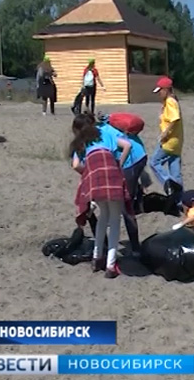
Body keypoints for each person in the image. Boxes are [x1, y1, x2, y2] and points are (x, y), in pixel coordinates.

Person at [70, 113, 133, 278]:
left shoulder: (79, 142)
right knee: (114, 219)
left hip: (95, 177)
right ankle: (111, 265)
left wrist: (88, 173)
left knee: (103, 216)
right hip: (111, 171)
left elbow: (75, 165)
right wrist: (119, 164)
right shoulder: (104, 131)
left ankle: (97, 258)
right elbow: (127, 145)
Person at [97, 119, 147, 256]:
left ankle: (136, 248)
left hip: (132, 161)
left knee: (126, 205)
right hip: (141, 155)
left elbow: (127, 145)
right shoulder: (107, 126)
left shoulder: (100, 133)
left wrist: (119, 165)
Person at [150, 76, 184, 190]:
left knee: (154, 162)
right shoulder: (171, 102)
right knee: (175, 172)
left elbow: (175, 118)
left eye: (160, 91)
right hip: (177, 142)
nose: (159, 94)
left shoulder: (170, 102)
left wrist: (165, 133)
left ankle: (168, 183)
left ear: (166, 90)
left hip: (169, 141)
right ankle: (179, 200)